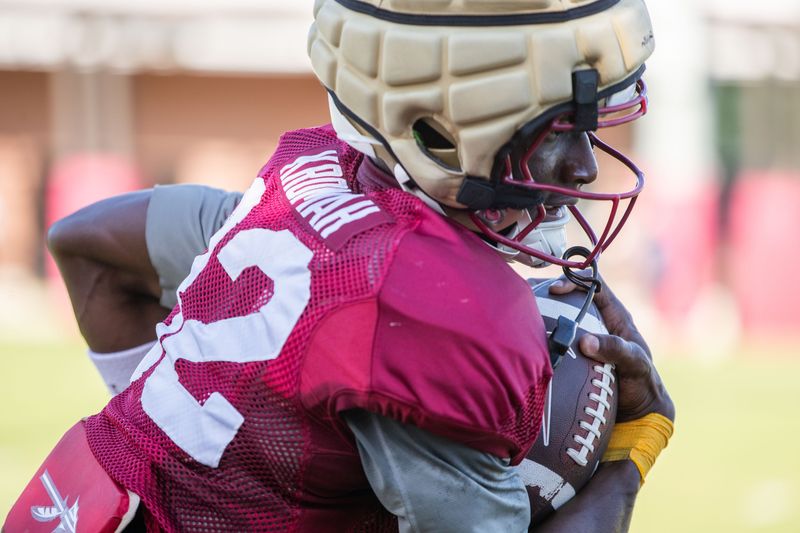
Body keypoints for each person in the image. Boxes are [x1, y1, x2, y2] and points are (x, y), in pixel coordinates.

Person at [7, 1, 674, 532]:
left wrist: (175, 442)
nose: (586, 167)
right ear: (457, 124)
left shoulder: (314, 181)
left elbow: (86, 242)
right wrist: (632, 453)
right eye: (560, 132)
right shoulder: (438, 314)